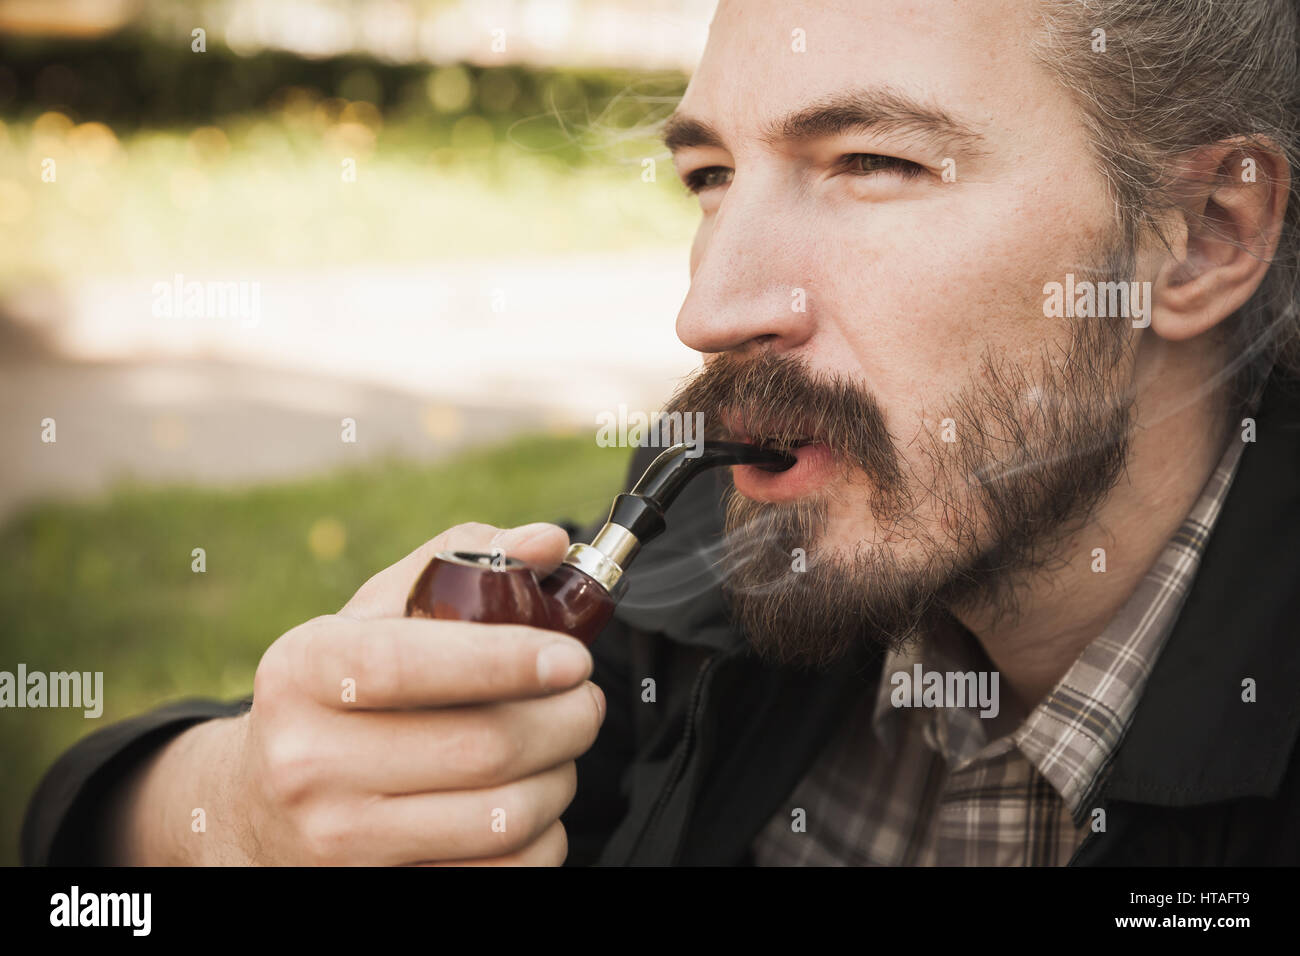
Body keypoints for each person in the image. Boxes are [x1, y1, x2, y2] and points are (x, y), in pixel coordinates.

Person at [23, 0, 1300, 866]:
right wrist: (234, 810)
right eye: (709, 177)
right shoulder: (713, 565)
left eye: (870, 162)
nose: (709, 309)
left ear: (1199, 237)